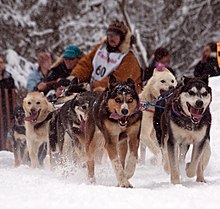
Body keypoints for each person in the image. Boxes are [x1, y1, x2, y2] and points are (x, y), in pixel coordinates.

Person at [70, 19, 142, 93]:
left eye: (115, 35)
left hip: (120, 96)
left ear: (122, 38)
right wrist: (74, 77)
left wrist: (92, 86)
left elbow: (119, 80)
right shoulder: (100, 49)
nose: (111, 37)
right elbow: (86, 65)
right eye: (109, 34)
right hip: (94, 91)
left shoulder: (129, 59)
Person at [0, 55, 16, 150]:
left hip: (6, 110)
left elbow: (11, 94)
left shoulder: (8, 77)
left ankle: (5, 151)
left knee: (6, 132)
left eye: (1, 62)